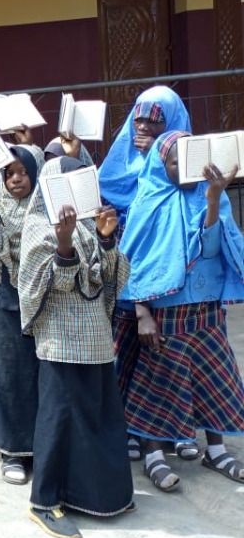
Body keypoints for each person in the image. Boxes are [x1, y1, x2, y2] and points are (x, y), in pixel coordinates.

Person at [119, 132, 244, 490]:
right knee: (160, 382)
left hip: (206, 305)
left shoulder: (210, 195)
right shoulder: (148, 202)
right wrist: (142, 312)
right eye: (177, 162)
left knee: (215, 378)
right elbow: (130, 262)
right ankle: (154, 457)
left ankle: (216, 451)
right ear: (162, 164)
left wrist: (213, 199)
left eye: (193, 160)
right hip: (165, 311)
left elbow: (212, 249)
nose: (187, 169)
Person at [18, 157, 134, 538]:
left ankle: (96, 495)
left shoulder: (89, 224)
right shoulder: (38, 227)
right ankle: (44, 502)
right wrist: (64, 242)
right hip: (60, 341)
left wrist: (106, 238)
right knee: (59, 421)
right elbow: (40, 285)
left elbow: (113, 277)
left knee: (97, 419)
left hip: (96, 339)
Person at [98, 86, 192, 460]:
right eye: (139, 120)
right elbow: (108, 191)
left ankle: (170, 428)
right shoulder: (122, 156)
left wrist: (157, 155)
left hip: (171, 277)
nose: (143, 128)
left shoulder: (181, 161)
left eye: (155, 122)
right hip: (128, 270)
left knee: (166, 354)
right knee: (124, 351)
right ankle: (126, 428)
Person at [0, 146, 44, 484]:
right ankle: (12, 450)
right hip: (7, 300)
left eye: (23, 172)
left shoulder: (45, 205)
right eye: (9, 173)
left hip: (45, 302)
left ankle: (42, 447)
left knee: (43, 375)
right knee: (10, 374)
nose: (16, 179)